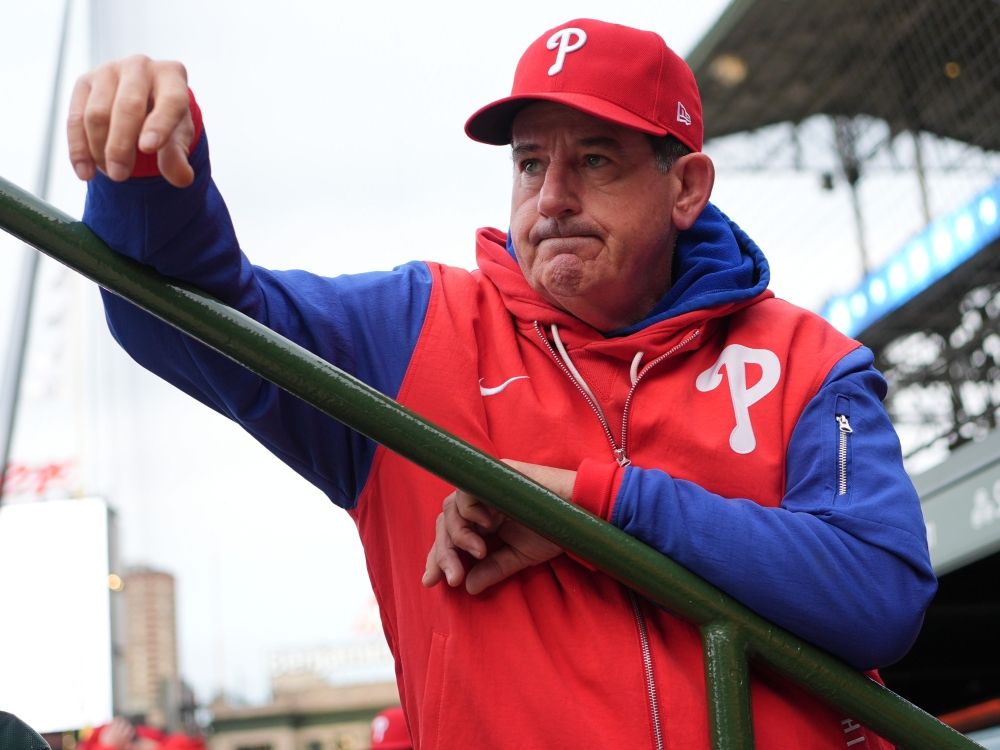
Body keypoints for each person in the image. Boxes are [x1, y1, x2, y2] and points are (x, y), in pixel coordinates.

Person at [67, 18, 937, 749]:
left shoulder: (805, 359)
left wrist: (595, 507)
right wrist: (147, 166)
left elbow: (879, 597)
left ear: (686, 187)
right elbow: (180, 318)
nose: (551, 196)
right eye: (529, 163)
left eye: (595, 160)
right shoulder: (413, 329)